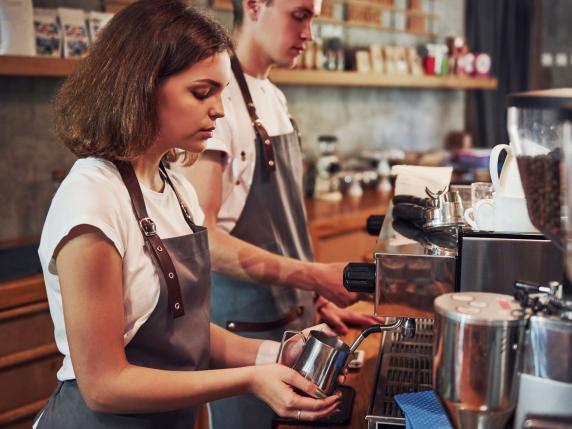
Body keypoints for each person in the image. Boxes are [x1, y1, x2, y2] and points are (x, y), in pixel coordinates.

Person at [32, 1, 343, 428]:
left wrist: (275, 354)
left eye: (220, 91)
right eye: (202, 92)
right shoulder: (91, 202)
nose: (219, 109)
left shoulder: (176, 189)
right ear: (140, 86)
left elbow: (188, 334)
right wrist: (249, 380)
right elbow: (104, 385)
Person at [172, 0, 380, 427]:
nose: (309, 34)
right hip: (243, 331)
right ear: (253, 6)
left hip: (293, 321)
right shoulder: (216, 102)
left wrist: (315, 299)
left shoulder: (273, 96)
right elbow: (203, 238)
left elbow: (283, 223)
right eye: (299, 15)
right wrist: (314, 275)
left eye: (313, 20)